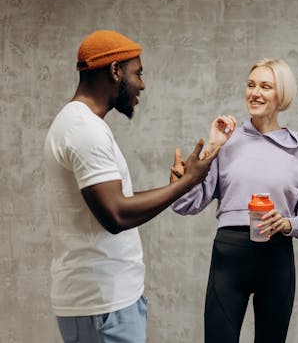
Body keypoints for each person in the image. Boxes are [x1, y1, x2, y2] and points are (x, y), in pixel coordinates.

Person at [44, 30, 219, 343]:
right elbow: (116, 215)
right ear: (115, 71)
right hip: (102, 305)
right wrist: (190, 182)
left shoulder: (79, 123)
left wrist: (173, 188)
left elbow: (114, 200)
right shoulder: (85, 130)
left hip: (103, 303)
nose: (142, 83)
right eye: (137, 72)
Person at [170, 58, 298, 343]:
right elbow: (187, 204)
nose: (255, 93)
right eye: (251, 84)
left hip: (277, 259)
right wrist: (199, 161)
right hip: (228, 260)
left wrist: (286, 223)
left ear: (282, 94)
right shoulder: (226, 141)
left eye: (265, 86)